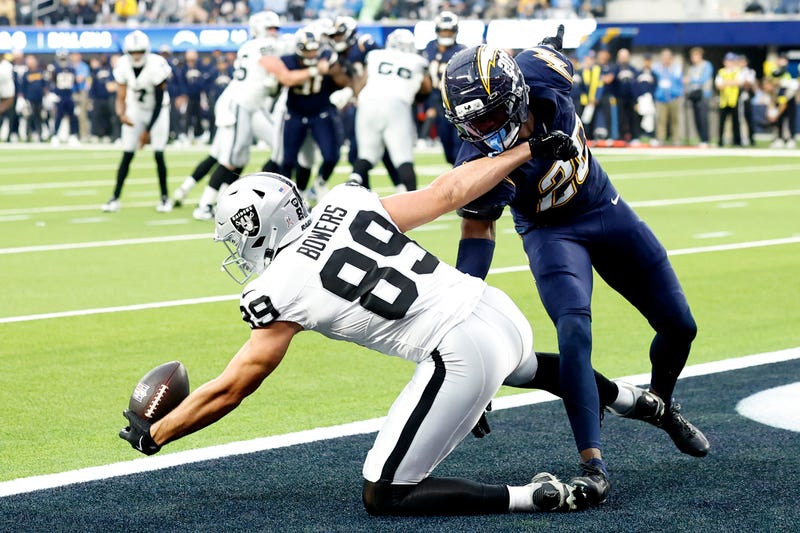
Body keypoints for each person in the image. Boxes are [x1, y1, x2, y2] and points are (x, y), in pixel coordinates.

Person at [119, 148, 666, 514]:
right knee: (537, 368)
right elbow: (450, 193)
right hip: (496, 309)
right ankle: (636, 400)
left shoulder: (278, 288)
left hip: (461, 350)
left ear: (254, 231)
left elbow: (235, 386)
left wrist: (158, 433)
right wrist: (525, 150)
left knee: (385, 494)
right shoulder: (346, 202)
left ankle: (535, 496)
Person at [441, 35, 710, 504]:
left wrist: (552, 42)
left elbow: (556, 55)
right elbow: (478, 235)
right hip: (550, 233)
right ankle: (594, 465)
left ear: (516, 93)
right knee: (574, 334)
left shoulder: (544, 72)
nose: (483, 130)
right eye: (472, 122)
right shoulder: (476, 159)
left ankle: (661, 407)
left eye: (488, 115)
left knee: (680, 326)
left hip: (605, 209)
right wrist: (464, 311)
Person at [348, 28, 431, 192]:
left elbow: (362, 83)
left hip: (367, 102)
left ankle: (351, 184)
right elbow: (426, 88)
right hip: (397, 104)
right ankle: (413, 199)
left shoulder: (375, 55)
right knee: (403, 157)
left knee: (366, 156)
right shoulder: (417, 60)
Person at [102, 30, 173, 213]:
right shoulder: (123, 65)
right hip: (136, 108)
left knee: (158, 153)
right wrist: (121, 113)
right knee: (127, 153)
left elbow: (158, 101)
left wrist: (147, 132)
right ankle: (115, 197)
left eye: (140, 51)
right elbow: (120, 94)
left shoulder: (157, 65)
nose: (136, 56)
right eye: (133, 52)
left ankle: (165, 197)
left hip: (158, 109)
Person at [278, 25, 350, 204]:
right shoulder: (288, 61)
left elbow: (343, 80)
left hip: (321, 114)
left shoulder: (328, 56)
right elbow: (285, 79)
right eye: (307, 50)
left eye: (314, 50)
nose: (311, 54)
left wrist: (335, 70)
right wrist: (315, 70)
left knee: (331, 155)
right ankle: (287, 196)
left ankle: (320, 182)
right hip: (295, 113)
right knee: (288, 160)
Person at [421, 10, 465, 165]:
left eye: (449, 31)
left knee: (458, 147)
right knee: (447, 149)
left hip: (456, 102)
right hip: (437, 101)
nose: (446, 34)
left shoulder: (462, 51)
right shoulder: (429, 48)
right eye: (443, 31)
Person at [47, 49, 80, 145]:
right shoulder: (55, 69)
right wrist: (52, 93)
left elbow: (75, 84)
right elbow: (51, 83)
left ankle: (73, 135)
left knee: (72, 117)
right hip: (59, 96)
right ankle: (55, 135)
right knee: (58, 117)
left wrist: (77, 97)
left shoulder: (72, 70)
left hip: (69, 96)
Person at [652, 48, 683, 146]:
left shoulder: (676, 68)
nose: (665, 59)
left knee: (675, 120)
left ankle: (676, 139)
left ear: (671, 58)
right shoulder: (657, 68)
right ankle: (661, 139)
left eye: (667, 57)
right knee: (661, 120)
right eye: (663, 57)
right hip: (661, 98)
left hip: (673, 97)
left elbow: (679, 82)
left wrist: (677, 93)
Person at [684, 47, 713, 148]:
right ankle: (701, 139)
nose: (693, 58)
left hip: (703, 95)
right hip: (694, 95)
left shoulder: (706, 65)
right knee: (696, 118)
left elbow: (703, 79)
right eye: (692, 56)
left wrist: (691, 80)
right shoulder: (691, 68)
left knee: (703, 117)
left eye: (695, 55)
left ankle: (706, 139)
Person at [715, 52, 743, 148]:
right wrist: (731, 82)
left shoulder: (737, 71)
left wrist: (726, 82)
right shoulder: (721, 72)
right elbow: (719, 85)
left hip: (734, 100)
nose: (729, 63)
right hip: (724, 100)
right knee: (722, 122)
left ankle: (737, 141)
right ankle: (720, 141)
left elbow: (739, 82)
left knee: (736, 121)